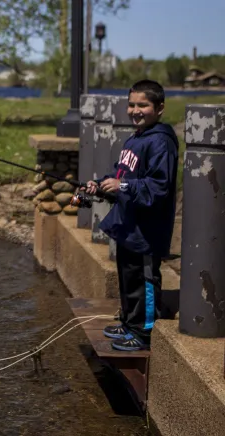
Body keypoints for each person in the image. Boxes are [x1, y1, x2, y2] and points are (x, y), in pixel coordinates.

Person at [84, 79, 179, 352]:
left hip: (147, 231)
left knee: (146, 280)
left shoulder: (161, 142)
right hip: (129, 226)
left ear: (159, 108)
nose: (136, 110)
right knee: (129, 279)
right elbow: (121, 176)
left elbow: (159, 187)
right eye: (132, 104)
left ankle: (144, 332)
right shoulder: (135, 138)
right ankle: (129, 322)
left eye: (143, 105)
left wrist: (122, 186)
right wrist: (101, 185)